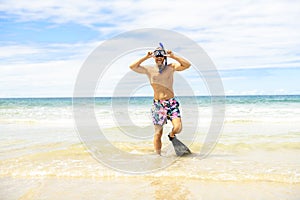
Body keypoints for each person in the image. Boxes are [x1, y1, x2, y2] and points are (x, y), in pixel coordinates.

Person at [129, 46, 191, 155]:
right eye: (157, 55)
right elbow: (132, 67)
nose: (159, 57)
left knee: (178, 127)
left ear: (164, 57)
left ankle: (172, 135)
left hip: (171, 104)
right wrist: (146, 57)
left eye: (161, 55)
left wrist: (173, 56)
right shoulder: (149, 69)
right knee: (158, 133)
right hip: (158, 105)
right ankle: (158, 156)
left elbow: (187, 65)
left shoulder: (171, 67)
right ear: (154, 57)